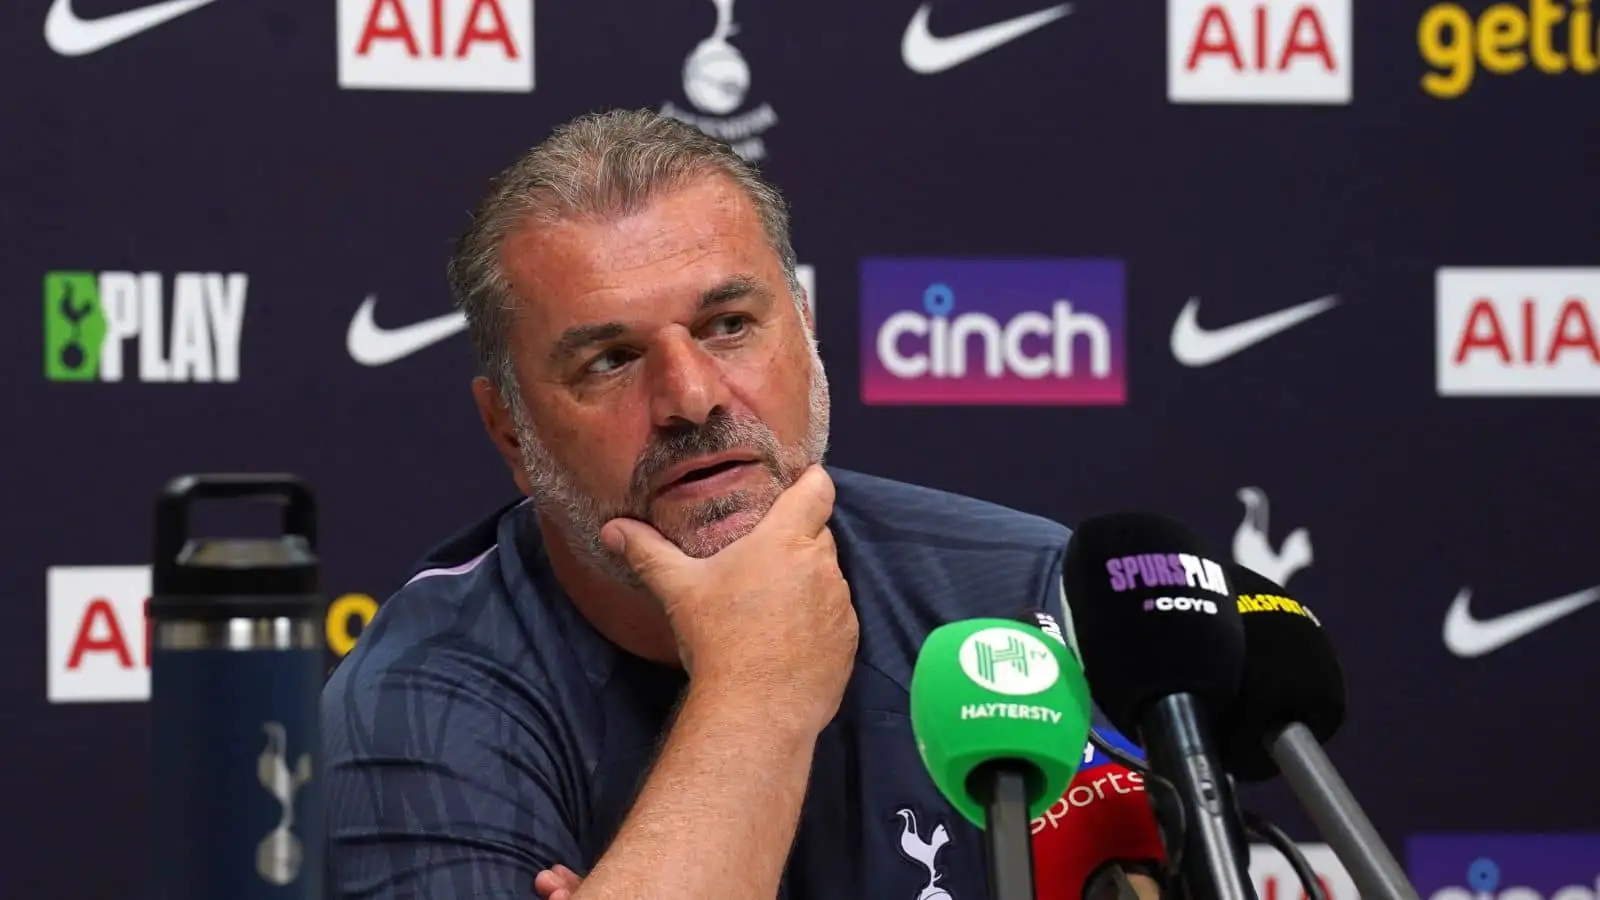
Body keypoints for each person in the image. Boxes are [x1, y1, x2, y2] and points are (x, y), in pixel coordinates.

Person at [321, 108, 1164, 900]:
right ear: (510, 431)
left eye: (728, 325)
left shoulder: (1019, 594)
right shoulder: (417, 703)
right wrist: (756, 686)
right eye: (611, 359)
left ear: (804, 330)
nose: (690, 396)